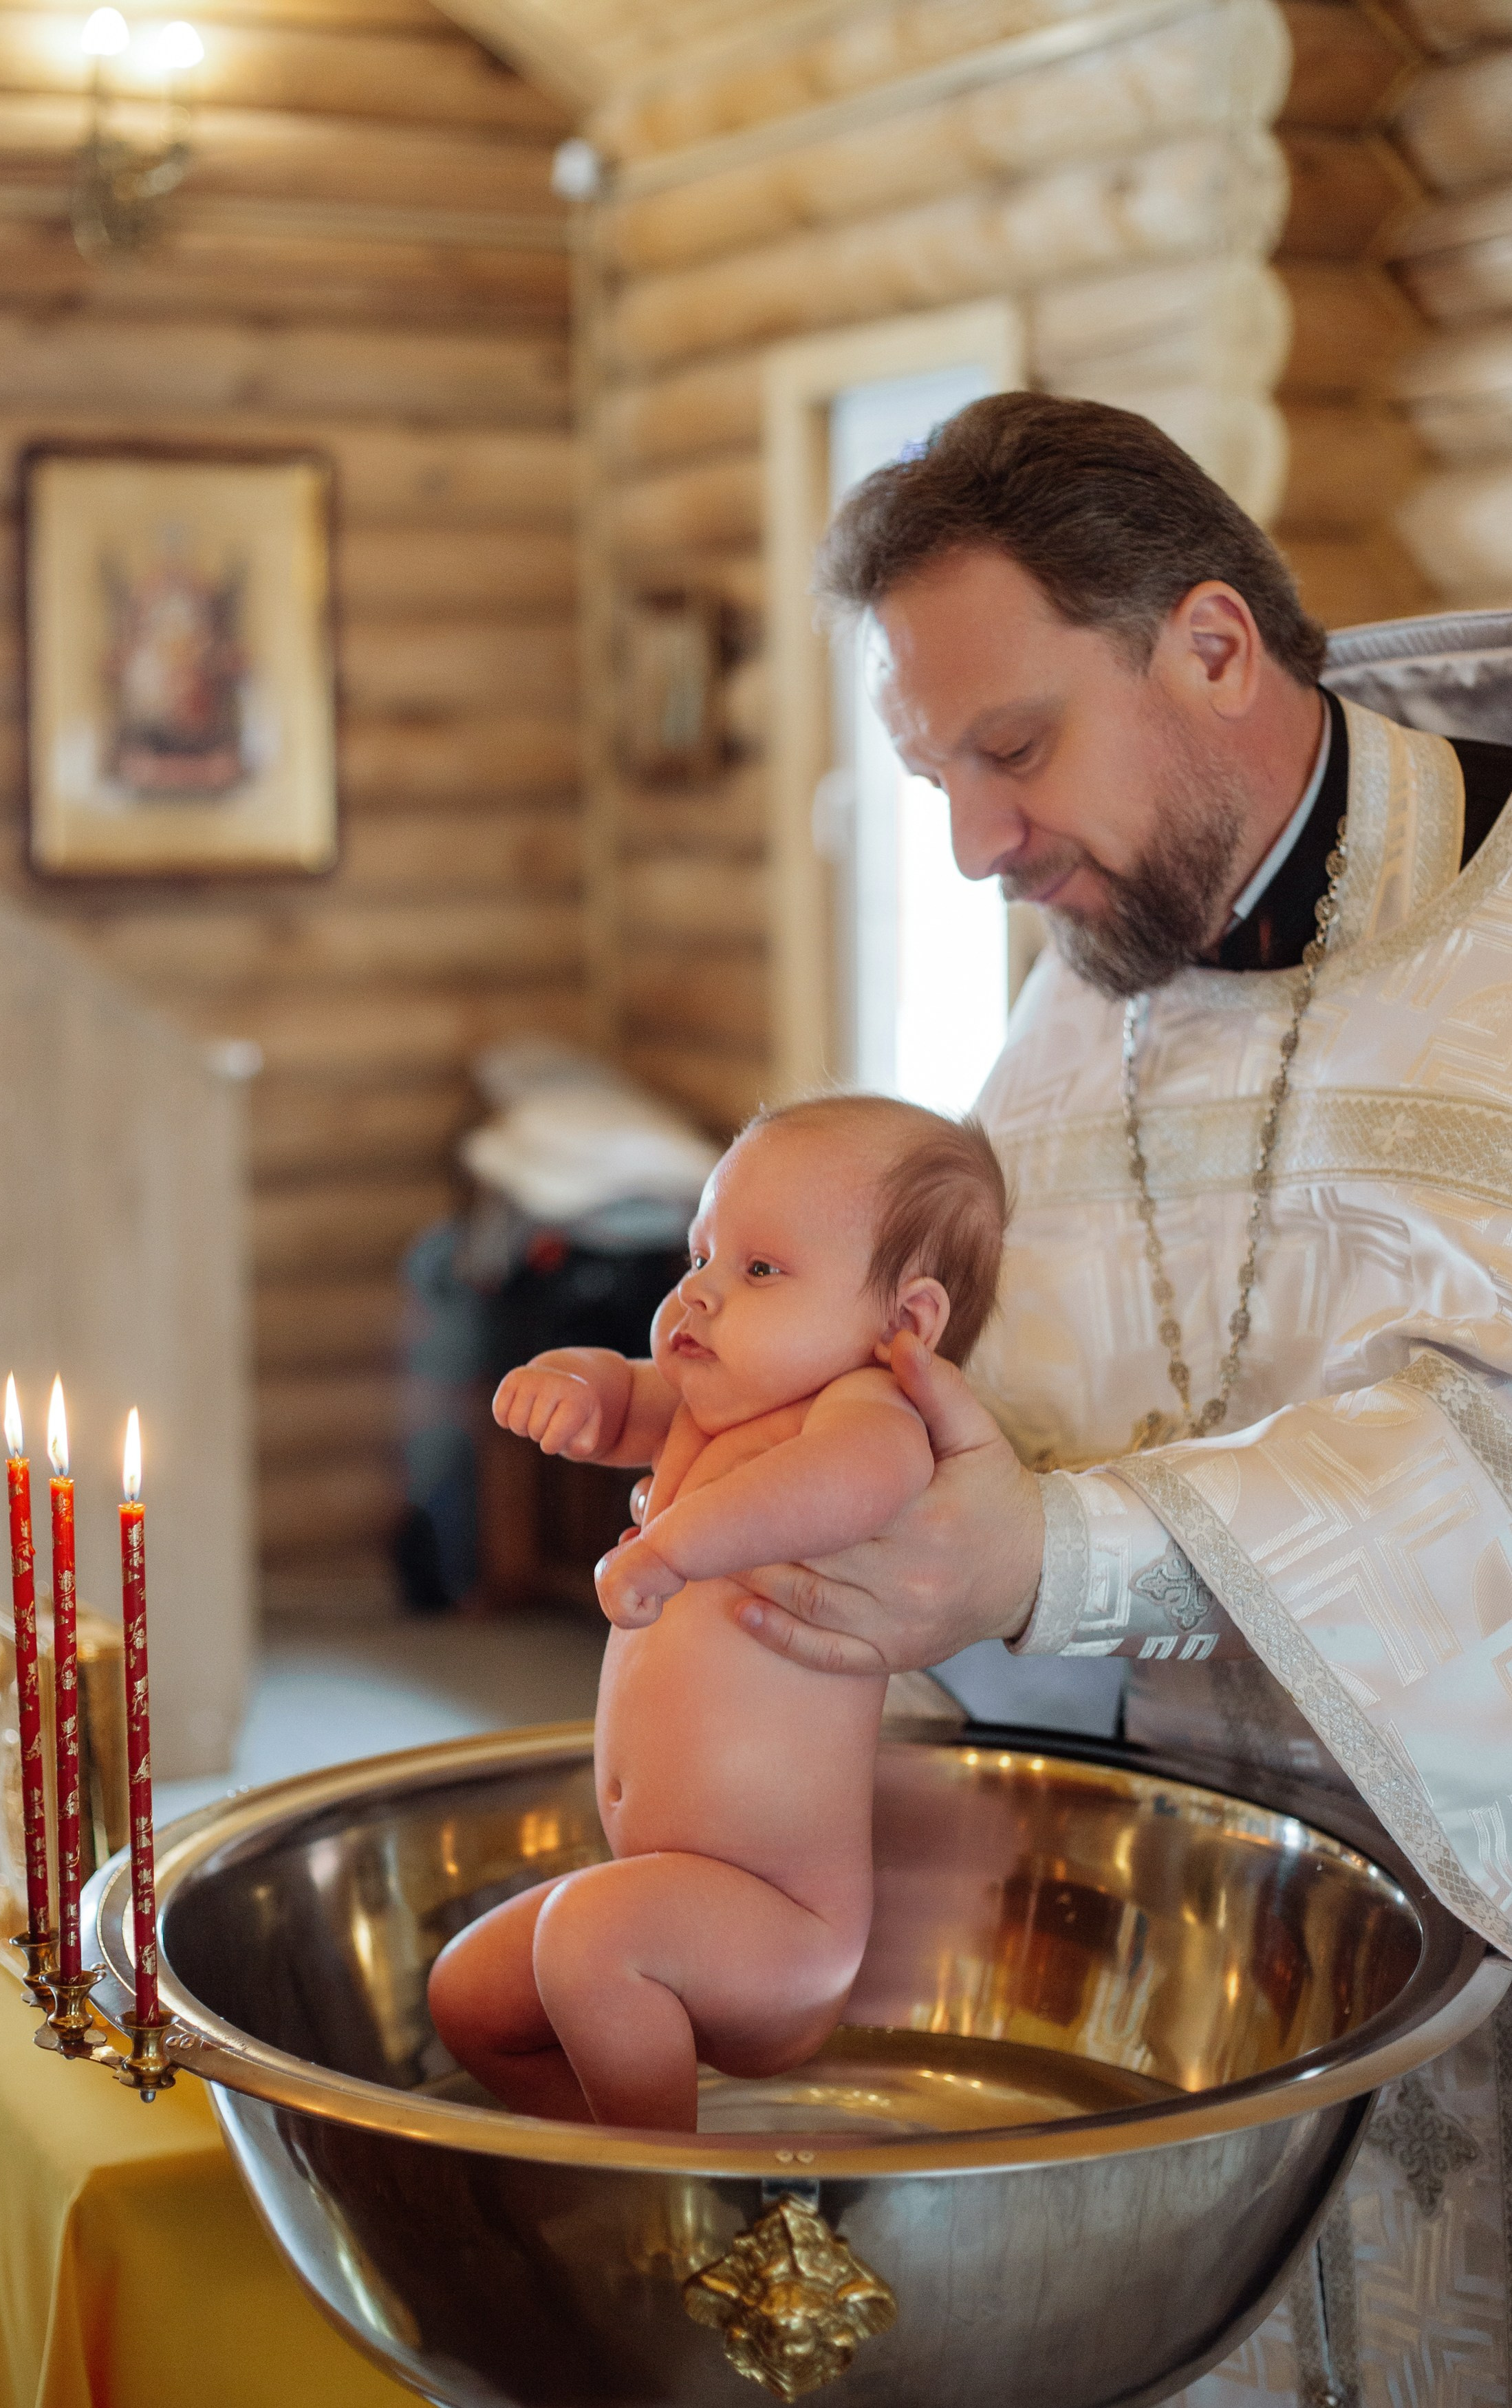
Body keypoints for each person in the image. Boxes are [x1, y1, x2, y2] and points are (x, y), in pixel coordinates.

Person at [722, 391, 1512, 2404]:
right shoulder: (1087, 980)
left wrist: (1060, 1550)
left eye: (1011, 748)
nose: (980, 847)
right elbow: (959, 1380)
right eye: (937, 777)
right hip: (1183, 1974)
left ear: (1215, 645)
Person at [427, 1095, 1004, 2131]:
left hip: (783, 1928)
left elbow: (848, 1485)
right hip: (668, 1893)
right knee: (469, 1999)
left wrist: (673, 1547)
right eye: (700, 1255)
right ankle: (580, 2171)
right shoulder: (709, 1401)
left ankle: (658, 2189)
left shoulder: (863, 1415)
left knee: (588, 1940)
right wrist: (572, 1383)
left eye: (758, 1271)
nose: (696, 1295)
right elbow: (624, 1396)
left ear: (903, 1324)